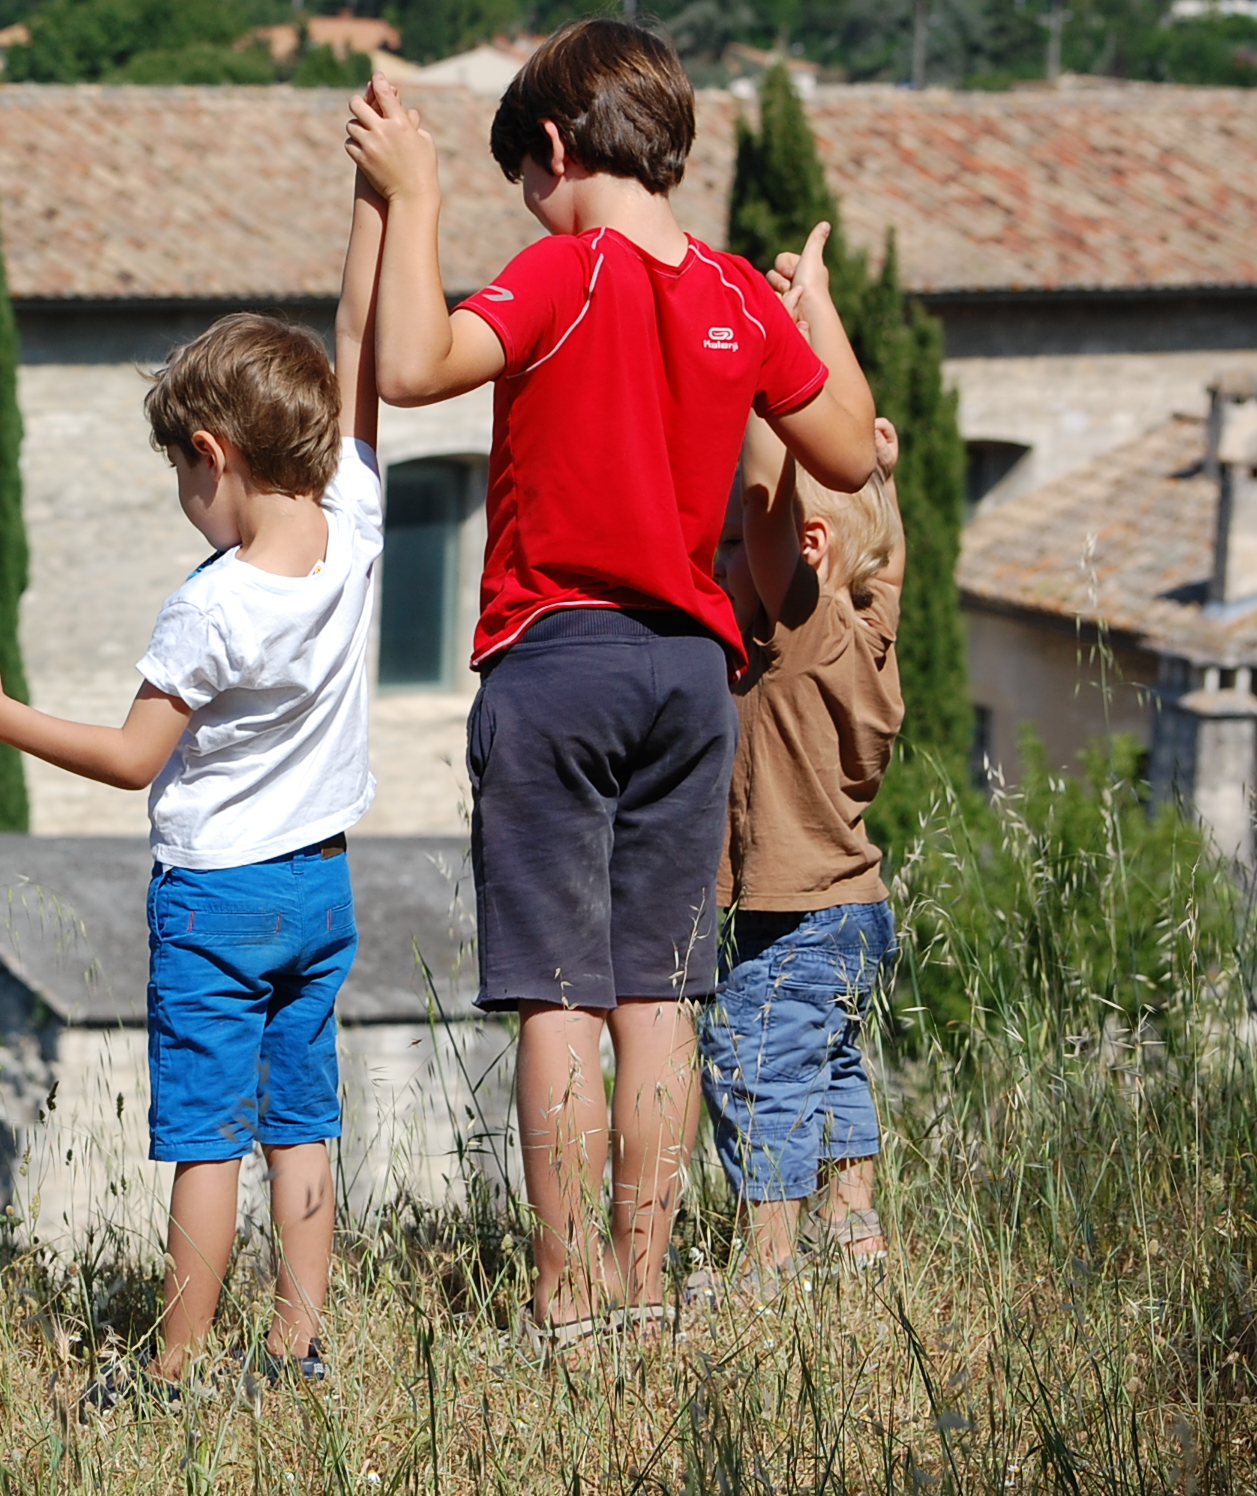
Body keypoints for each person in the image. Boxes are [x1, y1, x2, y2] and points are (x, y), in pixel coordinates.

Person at [343, 22, 879, 1355]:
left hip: (561, 657)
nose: (530, 197)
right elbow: (847, 453)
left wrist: (413, 199)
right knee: (661, 994)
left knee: (562, 997)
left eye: (524, 173)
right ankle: (645, 1291)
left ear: (560, 149)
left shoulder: (563, 271)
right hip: (692, 678)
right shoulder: (736, 300)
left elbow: (410, 369)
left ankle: (566, 1297)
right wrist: (809, 310)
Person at [0, 168, 389, 1404]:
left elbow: (130, 759)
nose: (185, 497)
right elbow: (362, 348)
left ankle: (173, 1365)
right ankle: (296, 1348)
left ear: (215, 456)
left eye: (183, 472)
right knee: (303, 1119)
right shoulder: (357, 521)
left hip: (218, 898)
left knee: (206, 1137)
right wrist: (381, 205)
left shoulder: (212, 606)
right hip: (323, 885)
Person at [700, 412, 904, 1300]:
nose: (717, 564)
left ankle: (770, 1266)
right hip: (858, 909)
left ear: (805, 549)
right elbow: (886, 552)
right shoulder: (871, 633)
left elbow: (782, 529)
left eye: (732, 544)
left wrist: (760, 388)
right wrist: (878, 473)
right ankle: (853, 1226)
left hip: (798, 916)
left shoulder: (802, 630)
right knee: (830, 1065)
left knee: (755, 1069)